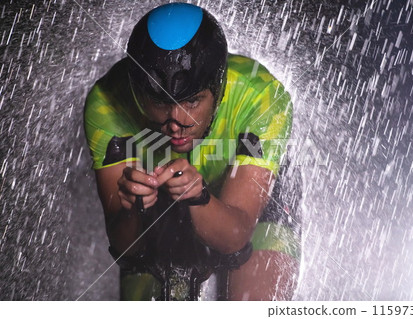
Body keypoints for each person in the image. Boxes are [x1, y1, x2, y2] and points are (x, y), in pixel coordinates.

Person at [84, 2, 300, 300]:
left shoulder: (262, 97)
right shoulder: (107, 102)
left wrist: (199, 199)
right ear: (137, 93)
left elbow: (234, 239)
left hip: (255, 209)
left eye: (193, 101)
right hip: (161, 207)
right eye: (161, 102)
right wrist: (134, 208)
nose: (177, 122)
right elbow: (127, 249)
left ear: (219, 87)